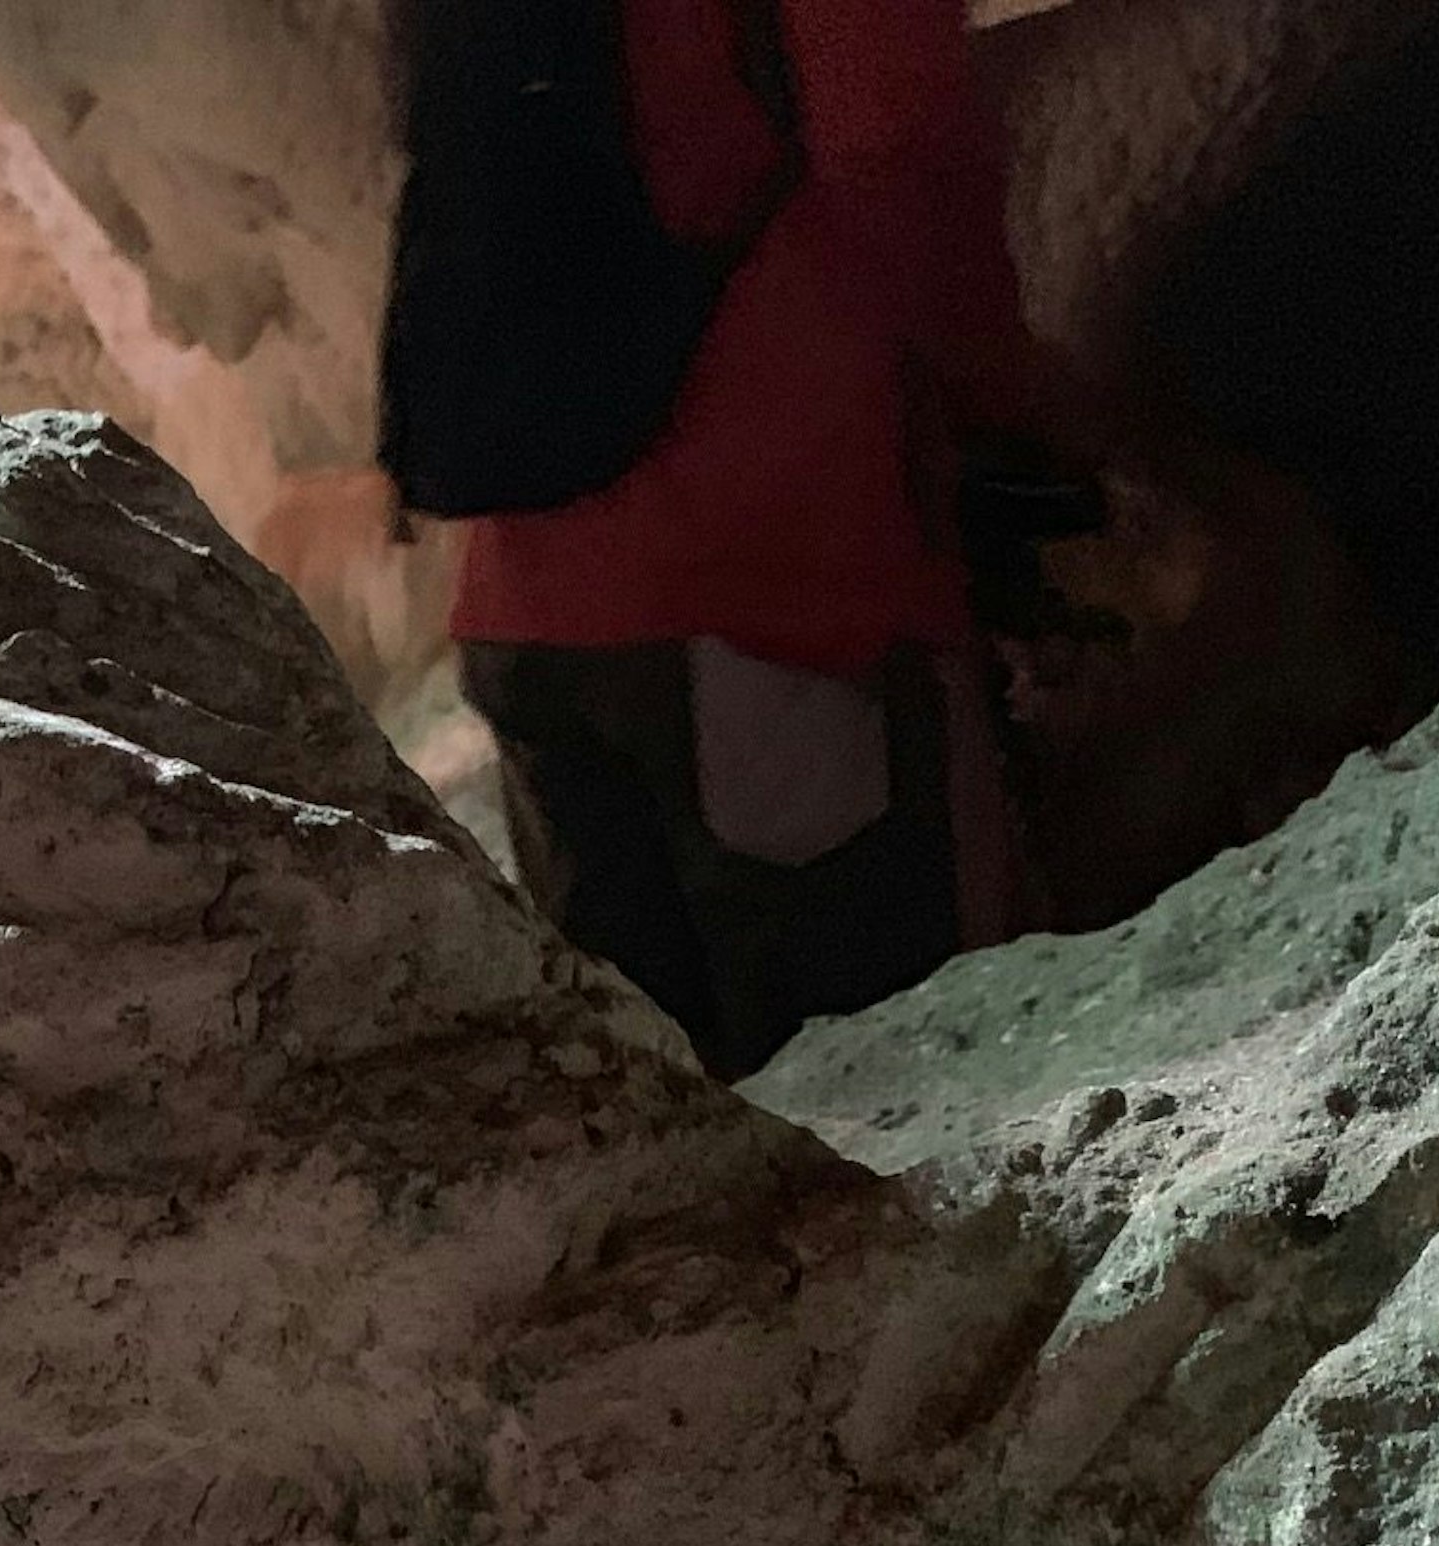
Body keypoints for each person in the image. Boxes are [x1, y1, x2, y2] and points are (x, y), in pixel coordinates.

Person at [439, 0, 1069, 1079]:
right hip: (771, 592)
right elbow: (895, 148)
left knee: (663, 1119)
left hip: (532, 607)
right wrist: (1008, 413)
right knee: (902, 1094)